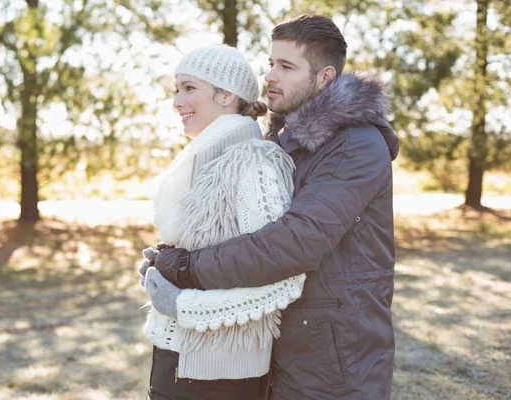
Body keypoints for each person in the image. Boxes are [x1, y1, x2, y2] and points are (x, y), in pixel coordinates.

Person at [145, 15, 400, 400]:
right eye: (270, 63)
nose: (269, 76)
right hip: (289, 343)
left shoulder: (356, 146)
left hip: (335, 354)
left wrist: (186, 269)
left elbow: (295, 242)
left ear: (325, 76)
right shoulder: (287, 143)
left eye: (286, 66)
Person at [139, 45, 306, 400]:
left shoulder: (252, 164)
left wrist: (183, 305)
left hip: (220, 375)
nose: (176, 101)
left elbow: (283, 280)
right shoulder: (203, 159)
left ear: (226, 94)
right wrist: (162, 268)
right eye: (176, 90)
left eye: (188, 88)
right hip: (173, 356)